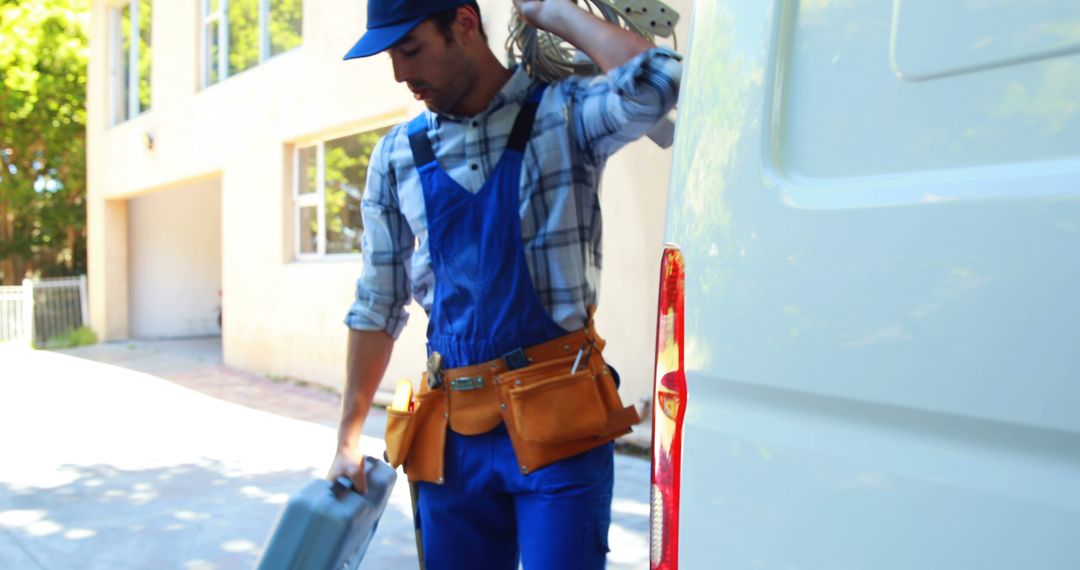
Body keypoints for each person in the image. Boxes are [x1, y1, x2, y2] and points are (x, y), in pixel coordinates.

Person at [331, 0, 681, 568]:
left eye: (410, 49)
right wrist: (347, 438)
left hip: (559, 423)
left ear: (464, 24)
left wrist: (554, 12)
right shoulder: (397, 155)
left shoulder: (565, 114)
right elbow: (376, 304)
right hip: (450, 435)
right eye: (391, 55)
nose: (400, 73)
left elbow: (660, 79)